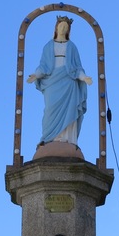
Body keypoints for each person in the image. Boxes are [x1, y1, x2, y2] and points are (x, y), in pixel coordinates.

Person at [27, 16, 93, 145]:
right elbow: (43, 65)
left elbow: (77, 67)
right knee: (50, 110)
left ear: (68, 30)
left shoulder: (72, 47)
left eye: (66, 27)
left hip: (69, 81)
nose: (63, 29)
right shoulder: (48, 46)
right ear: (56, 28)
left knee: (70, 109)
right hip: (52, 80)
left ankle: (68, 139)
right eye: (61, 26)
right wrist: (36, 75)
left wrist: (84, 77)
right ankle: (49, 139)